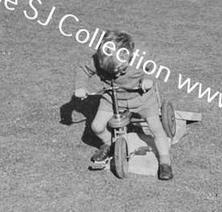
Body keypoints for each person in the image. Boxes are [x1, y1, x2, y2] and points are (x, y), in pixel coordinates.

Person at [74, 30, 173, 181]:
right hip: (113, 98)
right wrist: (80, 87)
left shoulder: (140, 57)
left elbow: (155, 66)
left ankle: (165, 161)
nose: (115, 73)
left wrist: (148, 79)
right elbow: (84, 70)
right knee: (97, 127)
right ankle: (110, 144)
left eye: (120, 69)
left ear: (129, 56)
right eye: (109, 70)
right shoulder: (101, 58)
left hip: (142, 99)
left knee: (156, 129)